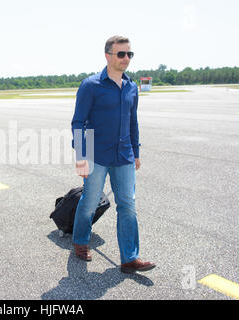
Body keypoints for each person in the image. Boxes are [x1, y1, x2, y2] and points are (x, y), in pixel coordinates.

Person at [71, 35, 155, 273]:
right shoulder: (91, 85)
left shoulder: (131, 87)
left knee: (127, 205)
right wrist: (81, 157)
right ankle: (80, 241)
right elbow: (79, 122)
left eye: (129, 54)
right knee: (89, 202)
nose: (126, 58)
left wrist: (136, 151)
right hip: (96, 156)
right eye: (121, 54)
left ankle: (130, 257)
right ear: (108, 56)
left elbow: (133, 122)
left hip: (124, 156)